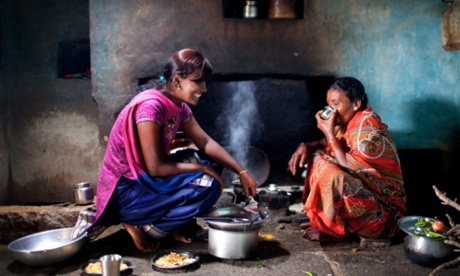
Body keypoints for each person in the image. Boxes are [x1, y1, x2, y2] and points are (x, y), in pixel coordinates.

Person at [73, 48, 258, 252]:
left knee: (209, 160)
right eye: (197, 81)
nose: (204, 88)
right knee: (208, 185)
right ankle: (147, 227)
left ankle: (170, 223)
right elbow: (155, 168)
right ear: (177, 80)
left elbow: (205, 142)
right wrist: (203, 170)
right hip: (127, 192)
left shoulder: (179, 106)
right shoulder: (150, 107)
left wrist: (242, 172)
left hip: (146, 181)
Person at [288, 77, 406, 242]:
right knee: (318, 157)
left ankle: (334, 231)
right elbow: (325, 144)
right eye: (329, 104)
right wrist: (307, 146)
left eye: (336, 104)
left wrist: (329, 133)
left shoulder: (368, 128)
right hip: (367, 201)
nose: (331, 110)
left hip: (383, 217)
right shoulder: (348, 122)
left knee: (333, 175)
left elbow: (349, 170)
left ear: (356, 104)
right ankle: (326, 221)